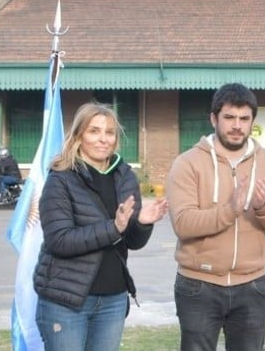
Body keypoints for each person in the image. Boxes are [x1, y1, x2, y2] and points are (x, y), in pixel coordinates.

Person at [166, 83, 265, 351]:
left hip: (252, 286)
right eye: (229, 118)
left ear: (252, 122)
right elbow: (183, 224)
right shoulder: (187, 163)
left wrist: (263, 206)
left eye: (244, 119)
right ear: (214, 118)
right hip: (198, 285)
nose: (237, 126)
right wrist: (231, 209)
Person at [34, 102, 169, 351]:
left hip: (113, 299)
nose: (102, 139)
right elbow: (60, 241)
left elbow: (133, 242)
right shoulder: (60, 178)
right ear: (78, 136)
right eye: (94, 131)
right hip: (66, 301)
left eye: (109, 132)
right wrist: (114, 227)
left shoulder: (124, 174)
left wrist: (142, 222)